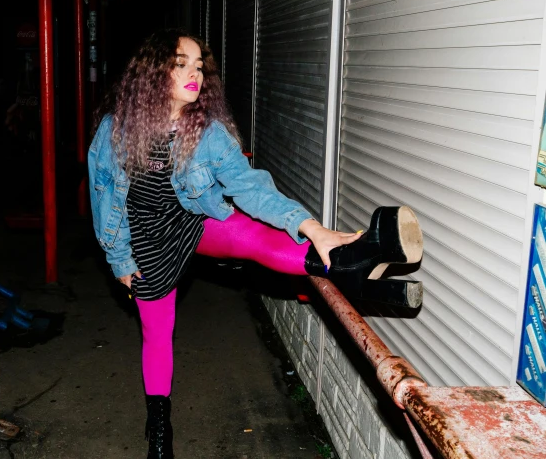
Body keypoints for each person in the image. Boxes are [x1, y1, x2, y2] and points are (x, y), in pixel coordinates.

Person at [87, 28, 422, 459]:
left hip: (191, 219)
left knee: (252, 237)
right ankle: (159, 427)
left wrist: (312, 226)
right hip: (144, 240)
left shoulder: (205, 132)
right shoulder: (116, 129)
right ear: (153, 73)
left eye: (200, 67)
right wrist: (119, 260)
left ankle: (345, 256)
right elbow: (103, 195)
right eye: (181, 64)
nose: (195, 74)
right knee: (157, 332)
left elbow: (250, 188)